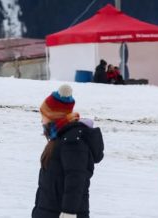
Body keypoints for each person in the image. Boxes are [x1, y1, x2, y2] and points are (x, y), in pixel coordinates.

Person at [32, 84, 104, 218]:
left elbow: (76, 178)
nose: (41, 120)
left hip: (62, 213)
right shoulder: (59, 138)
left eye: (44, 115)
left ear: (54, 116)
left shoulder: (72, 141)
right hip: (50, 210)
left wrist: (69, 211)